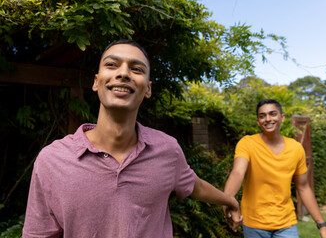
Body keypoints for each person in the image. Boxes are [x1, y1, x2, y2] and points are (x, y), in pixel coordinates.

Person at [22, 39, 241, 238]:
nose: (123, 73)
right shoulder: (53, 159)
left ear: (148, 89)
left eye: (136, 69)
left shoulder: (167, 149)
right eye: (111, 65)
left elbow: (195, 185)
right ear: (96, 82)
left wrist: (229, 200)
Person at [223, 99, 326, 238]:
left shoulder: (296, 148)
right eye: (262, 116)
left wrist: (322, 226)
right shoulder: (247, 143)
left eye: (272, 114)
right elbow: (237, 172)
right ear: (258, 122)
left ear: (282, 117)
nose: (268, 119)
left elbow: (304, 187)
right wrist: (228, 199)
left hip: (286, 224)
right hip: (254, 223)